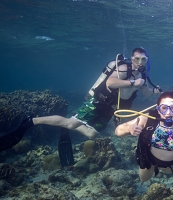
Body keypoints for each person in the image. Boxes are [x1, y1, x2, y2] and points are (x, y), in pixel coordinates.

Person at [0, 47, 161, 166]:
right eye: (136, 59)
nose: (140, 62)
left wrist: (154, 91)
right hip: (100, 101)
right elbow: (111, 82)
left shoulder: (143, 75)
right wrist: (133, 82)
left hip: (112, 108)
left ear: (147, 60)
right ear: (132, 59)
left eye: (143, 59)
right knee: (70, 123)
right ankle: (31, 121)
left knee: (91, 134)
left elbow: (145, 92)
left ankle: (67, 125)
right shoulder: (123, 68)